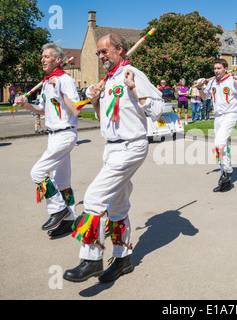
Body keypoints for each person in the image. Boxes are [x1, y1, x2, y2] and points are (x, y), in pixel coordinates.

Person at [63, 33, 164, 283]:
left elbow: (158, 109)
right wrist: (96, 100)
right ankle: (123, 259)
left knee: (95, 197)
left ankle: (91, 259)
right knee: (117, 205)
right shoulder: (108, 80)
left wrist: (133, 86)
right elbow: (103, 119)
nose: (101, 56)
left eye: (104, 51)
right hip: (111, 147)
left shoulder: (133, 74)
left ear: (119, 50)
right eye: (98, 53)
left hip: (131, 146)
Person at [14, 43, 81, 237]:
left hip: (65, 133)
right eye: (42, 56)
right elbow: (41, 109)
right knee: (62, 181)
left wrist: (59, 91)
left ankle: (58, 208)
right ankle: (69, 221)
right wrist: (26, 104)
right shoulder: (45, 82)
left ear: (58, 60)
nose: (42, 59)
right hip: (52, 135)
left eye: (46, 56)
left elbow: (75, 109)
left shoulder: (65, 80)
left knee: (37, 172)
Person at [196, 58, 237, 192]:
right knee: (222, 146)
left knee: (219, 144)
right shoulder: (212, 82)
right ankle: (225, 179)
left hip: (230, 115)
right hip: (218, 116)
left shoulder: (234, 81)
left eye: (219, 68)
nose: (216, 71)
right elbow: (204, 97)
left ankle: (228, 171)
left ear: (226, 68)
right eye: (215, 68)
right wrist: (200, 87)